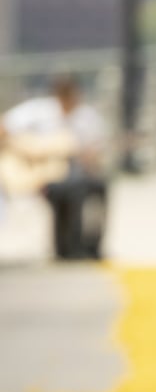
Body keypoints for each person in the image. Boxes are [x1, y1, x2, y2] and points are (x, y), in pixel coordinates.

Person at [0, 76, 108, 260]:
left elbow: (94, 151)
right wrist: (29, 149)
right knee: (73, 187)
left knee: (96, 185)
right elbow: (4, 127)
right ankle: (68, 248)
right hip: (42, 176)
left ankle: (89, 246)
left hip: (71, 171)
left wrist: (87, 158)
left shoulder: (87, 117)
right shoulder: (38, 111)